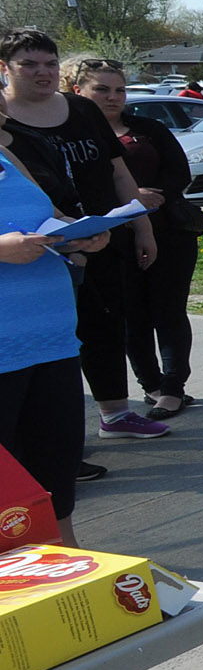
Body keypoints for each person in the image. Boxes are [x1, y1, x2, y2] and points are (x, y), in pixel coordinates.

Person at [0, 29, 166, 442]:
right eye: (29, 64)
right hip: (32, 269)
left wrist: (138, 226)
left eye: (50, 63)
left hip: (90, 237)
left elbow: (117, 171)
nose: (43, 72)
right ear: (4, 69)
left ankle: (113, 414)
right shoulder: (6, 128)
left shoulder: (79, 110)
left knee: (104, 327)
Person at [71, 58, 203, 419]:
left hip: (169, 231)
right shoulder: (75, 135)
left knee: (169, 310)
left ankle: (174, 388)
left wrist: (150, 194)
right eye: (101, 89)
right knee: (130, 316)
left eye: (119, 89)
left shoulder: (148, 128)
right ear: (77, 90)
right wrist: (127, 199)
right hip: (112, 239)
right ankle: (152, 384)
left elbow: (180, 172)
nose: (113, 97)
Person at [0, 107, 109, 545]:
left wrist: (82, 232)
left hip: (51, 336)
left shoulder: (8, 152)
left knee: (55, 464)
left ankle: (67, 562)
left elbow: (50, 215)